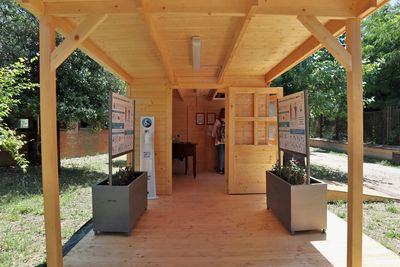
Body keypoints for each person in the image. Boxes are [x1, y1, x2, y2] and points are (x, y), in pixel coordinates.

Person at [212, 108, 225, 174]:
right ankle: (226, 169)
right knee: (227, 155)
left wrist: (214, 136)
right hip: (227, 140)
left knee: (221, 155)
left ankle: (220, 169)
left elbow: (213, 132)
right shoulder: (228, 120)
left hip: (219, 141)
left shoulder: (218, 121)